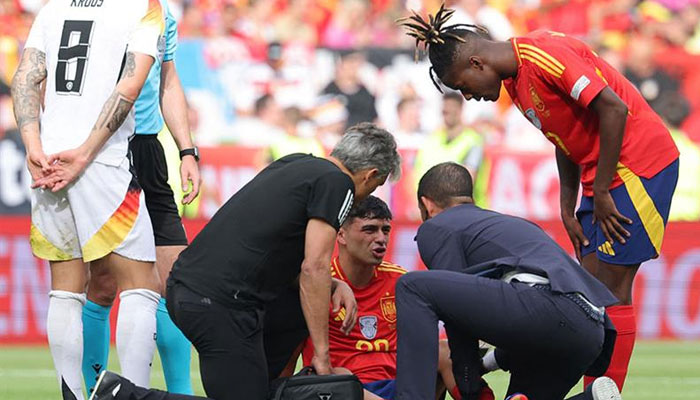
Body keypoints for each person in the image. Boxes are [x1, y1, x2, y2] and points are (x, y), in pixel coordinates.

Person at [399, 4, 680, 391]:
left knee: (612, 291)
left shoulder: (542, 53)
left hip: (638, 166)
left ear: (477, 63)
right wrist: (569, 201)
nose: (468, 97)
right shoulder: (515, 82)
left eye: (463, 85)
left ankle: (602, 392)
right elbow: (564, 134)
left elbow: (612, 108)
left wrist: (598, 191)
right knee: (586, 292)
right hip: (598, 174)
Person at [88, 122, 402, 400]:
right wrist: (322, 357)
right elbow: (314, 266)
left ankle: (121, 394)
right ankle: (123, 395)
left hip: (200, 291)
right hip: (220, 302)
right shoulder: (339, 183)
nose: (370, 193)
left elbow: (280, 252)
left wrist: (333, 284)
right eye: (375, 186)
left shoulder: (296, 163)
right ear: (370, 174)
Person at [12, 1, 165, 398]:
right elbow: (130, 85)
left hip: (48, 159)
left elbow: (26, 77)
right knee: (140, 285)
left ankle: (74, 395)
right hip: (100, 160)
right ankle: (136, 394)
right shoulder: (144, 8)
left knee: (65, 288)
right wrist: (85, 153)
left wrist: (33, 146)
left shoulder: (53, 7)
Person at [394, 162, 622, 400]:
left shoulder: (437, 226)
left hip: (547, 306)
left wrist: (468, 381)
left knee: (412, 287)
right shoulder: (509, 223)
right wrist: (488, 363)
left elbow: (456, 316)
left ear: (427, 204)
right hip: (591, 329)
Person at [81, 0, 201, 395]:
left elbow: (168, 80)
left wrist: (186, 149)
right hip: (100, 149)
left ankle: (180, 393)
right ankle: (94, 389)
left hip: (147, 151)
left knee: (174, 280)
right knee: (101, 285)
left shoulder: (161, 12)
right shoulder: (90, 9)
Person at [300, 195, 462, 400]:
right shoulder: (318, 283)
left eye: (385, 230)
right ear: (341, 235)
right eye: (370, 229)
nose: (381, 239)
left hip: (397, 385)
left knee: (444, 350)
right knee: (339, 376)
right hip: (345, 389)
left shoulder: (401, 282)